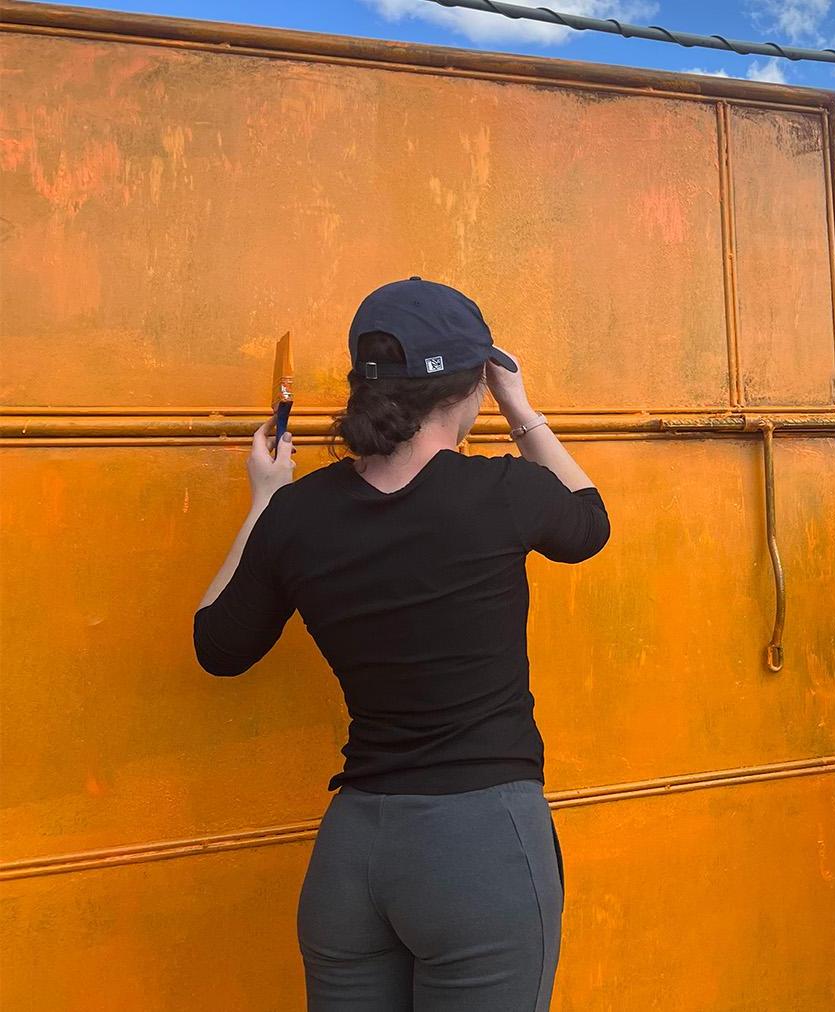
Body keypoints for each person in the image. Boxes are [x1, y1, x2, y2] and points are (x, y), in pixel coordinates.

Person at [194, 278, 610, 1011]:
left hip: (352, 856)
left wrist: (263, 501)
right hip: (479, 852)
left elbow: (217, 645)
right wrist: (522, 411)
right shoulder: (504, 492)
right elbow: (589, 523)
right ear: (475, 383)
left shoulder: (299, 514)